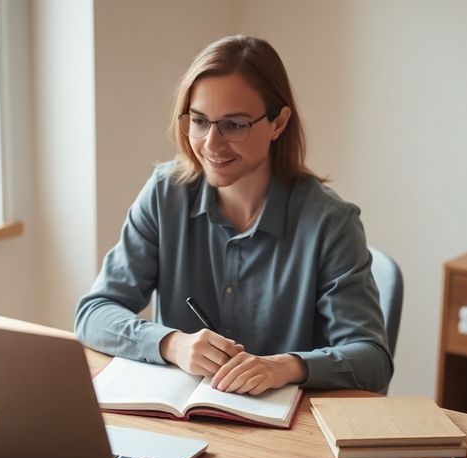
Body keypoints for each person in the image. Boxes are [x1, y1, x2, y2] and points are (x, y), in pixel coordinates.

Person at [75, 35, 393, 395]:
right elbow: (93, 314)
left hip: (289, 435)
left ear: (279, 123)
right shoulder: (165, 194)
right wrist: (171, 344)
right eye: (199, 121)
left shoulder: (331, 223)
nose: (211, 144)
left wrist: (285, 366)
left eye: (234, 125)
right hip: (182, 421)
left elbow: (372, 362)